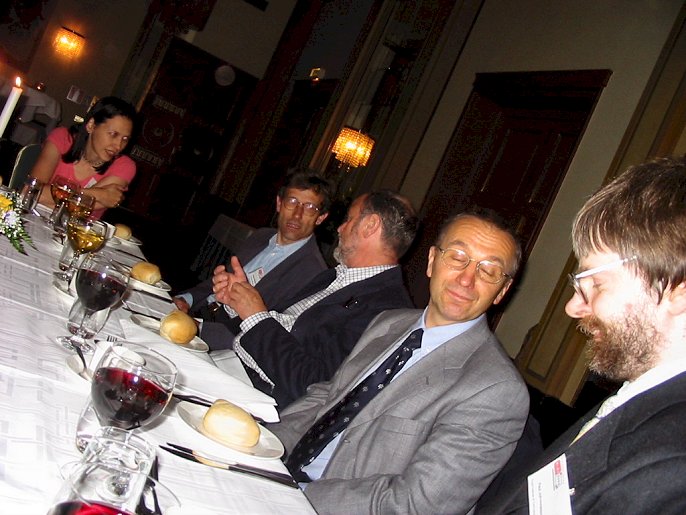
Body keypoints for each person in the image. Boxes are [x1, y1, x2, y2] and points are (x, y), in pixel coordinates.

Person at [267, 208, 529, 514]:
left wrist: (293, 495)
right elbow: (328, 397)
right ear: (432, 261)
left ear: (502, 291)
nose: (467, 279)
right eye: (457, 257)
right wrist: (263, 446)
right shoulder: (388, 322)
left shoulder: (496, 390)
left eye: (489, 271)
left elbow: (415, 505)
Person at [475, 156, 686, 514]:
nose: (573, 307)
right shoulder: (638, 399)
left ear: (679, 291)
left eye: (596, 284)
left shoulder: (672, 465)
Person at [211, 190, 418, 409]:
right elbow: (276, 326)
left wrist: (255, 316)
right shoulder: (332, 277)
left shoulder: (387, 311)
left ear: (370, 225)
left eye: (349, 219)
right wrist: (238, 299)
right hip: (233, 367)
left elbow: (315, 385)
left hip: (262, 404)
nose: (340, 228)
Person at [173, 171, 332, 348]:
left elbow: (269, 333)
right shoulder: (261, 236)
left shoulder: (314, 274)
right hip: (196, 312)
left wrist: (197, 328)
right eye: (292, 201)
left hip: (221, 343)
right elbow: (216, 283)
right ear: (279, 204)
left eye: (310, 207)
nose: (297, 214)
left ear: (320, 218)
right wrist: (186, 299)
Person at [31, 96, 137, 219]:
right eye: (113, 134)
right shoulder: (63, 138)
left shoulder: (125, 166)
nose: (118, 145)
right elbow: (32, 191)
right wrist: (99, 194)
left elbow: (77, 210)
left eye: (125, 139)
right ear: (91, 125)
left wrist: (53, 195)